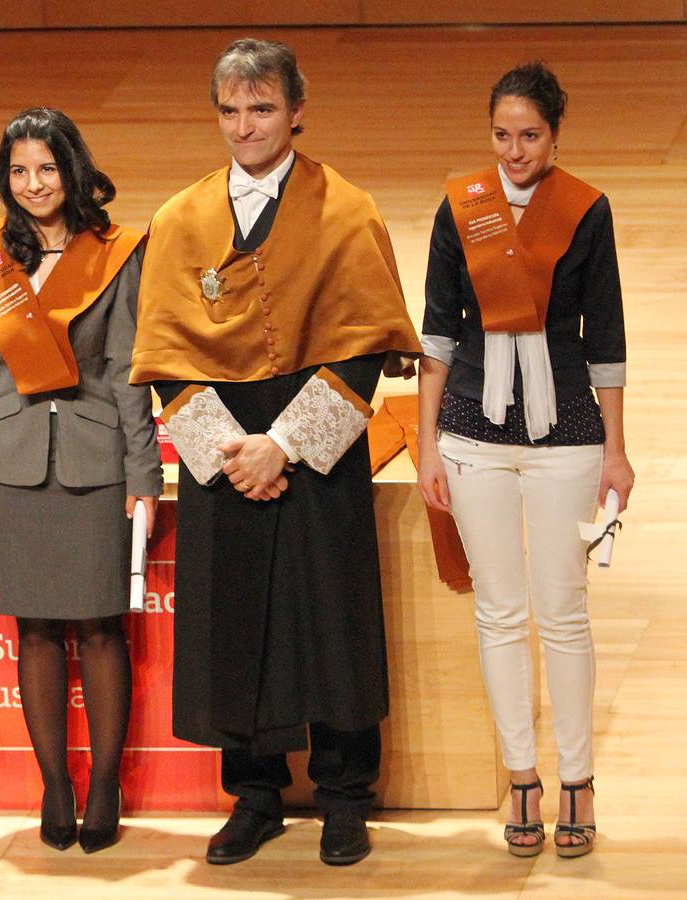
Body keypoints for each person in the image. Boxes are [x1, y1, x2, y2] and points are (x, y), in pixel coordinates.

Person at [130, 38, 421, 866]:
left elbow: (364, 351)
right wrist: (232, 452)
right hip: (222, 451)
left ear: (296, 110)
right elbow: (163, 357)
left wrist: (283, 446)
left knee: (331, 622)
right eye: (230, 111)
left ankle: (343, 798)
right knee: (233, 625)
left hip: (315, 453)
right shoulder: (179, 219)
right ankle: (253, 796)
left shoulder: (345, 210)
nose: (245, 127)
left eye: (261, 109)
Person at [416, 61, 631, 860]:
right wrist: (428, 443)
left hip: (566, 431)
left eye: (529, 136)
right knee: (499, 613)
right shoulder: (459, 205)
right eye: (502, 135)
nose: (514, 151)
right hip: (471, 432)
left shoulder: (584, 209)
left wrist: (615, 450)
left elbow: (604, 335)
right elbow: (438, 334)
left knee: (562, 613)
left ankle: (577, 779)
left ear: (554, 135)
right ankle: (520, 780)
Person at [0, 107, 158, 855]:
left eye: (46, 168)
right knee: (34, 629)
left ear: (72, 170)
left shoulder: (117, 250)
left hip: (96, 463)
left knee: (101, 628)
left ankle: (104, 785)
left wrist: (143, 472)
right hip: (12, 464)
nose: (33, 184)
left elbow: (129, 369)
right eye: (18, 171)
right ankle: (54, 785)